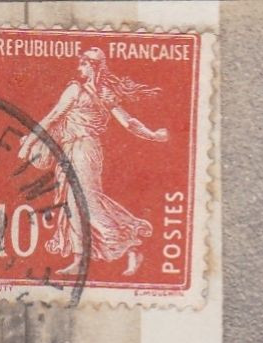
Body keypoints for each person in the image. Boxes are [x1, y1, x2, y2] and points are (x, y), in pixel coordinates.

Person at [20, 48, 170, 277]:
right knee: (72, 204)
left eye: (82, 65)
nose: (79, 69)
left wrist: (28, 143)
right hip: (69, 149)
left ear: (92, 66)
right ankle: (81, 259)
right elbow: (55, 118)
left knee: (87, 202)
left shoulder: (85, 91)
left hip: (84, 150)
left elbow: (127, 122)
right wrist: (153, 135)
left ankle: (131, 243)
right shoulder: (90, 91)